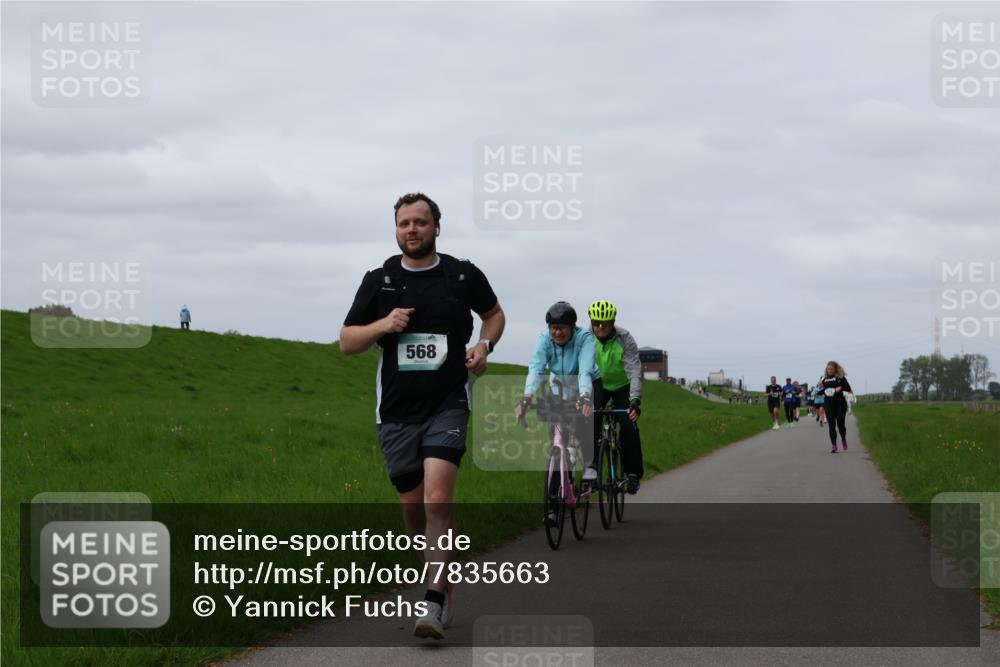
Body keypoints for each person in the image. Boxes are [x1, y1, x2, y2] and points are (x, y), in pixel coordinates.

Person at [340, 192, 505, 640]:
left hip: (448, 401)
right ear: (396, 230)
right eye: (403, 223)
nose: (411, 230)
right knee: (414, 510)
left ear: (437, 227)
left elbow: (493, 316)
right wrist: (383, 325)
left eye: (420, 222)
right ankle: (441, 577)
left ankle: (432, 602)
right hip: (395, 411)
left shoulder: (462, 274)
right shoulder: (380, 280)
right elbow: (347, 341)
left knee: (437, 499)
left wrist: (484, 346)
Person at [515, 302, 595, 515]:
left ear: (572, 327)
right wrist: (526, 397)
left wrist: (585, 396)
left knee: (582, 425)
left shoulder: (584, 338)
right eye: (553, 328)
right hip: (558, 390)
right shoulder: (544, 340)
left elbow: (585, 371)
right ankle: (554, 505)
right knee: (557, 445)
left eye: (562, 328)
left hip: (583, 386)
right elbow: (536, 368)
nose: (557, 332)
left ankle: (589, 465)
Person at [587, 300, 644, 494]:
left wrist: (635, 401)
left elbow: (635, 371)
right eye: (596, 322)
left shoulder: (625, 338)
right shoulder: (585, 338)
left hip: (622, 386)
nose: (600, 327)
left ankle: (633, 474)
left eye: (605, 323)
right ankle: (592, 468)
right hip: (598, 385)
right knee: (590, 419)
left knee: (628, 426)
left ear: (612, 322)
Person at [820, 360, 853, 453]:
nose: (829, 370)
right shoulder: (824, 379)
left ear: (835, 369)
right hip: (828, 404)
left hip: (840, 404)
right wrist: (818, 390)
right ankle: (834, 445)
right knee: (831, 425)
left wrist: (840, 388)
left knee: (840, 424)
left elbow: (848, 388)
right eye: (828, 369)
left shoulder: (840, 378)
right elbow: (821, 391)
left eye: (831, 369)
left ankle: (843, 438)